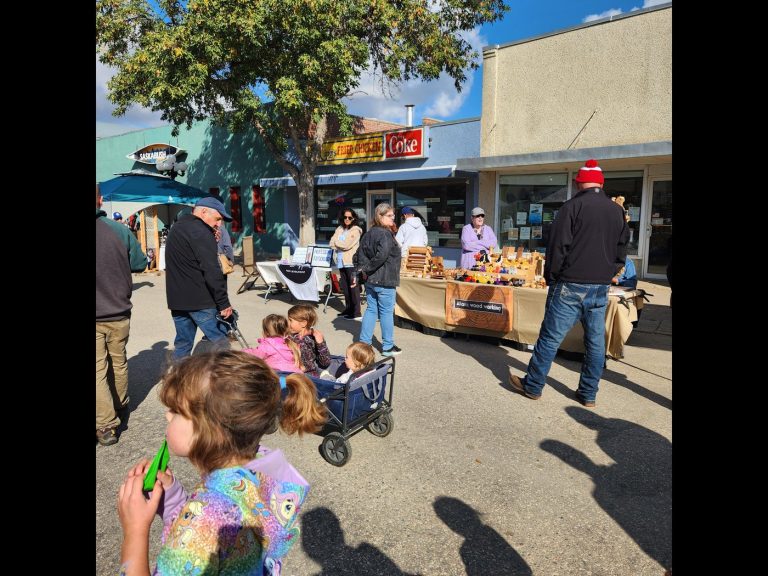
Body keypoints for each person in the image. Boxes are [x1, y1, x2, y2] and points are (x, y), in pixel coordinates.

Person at [116, 350, 327, 576]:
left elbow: (204, 528)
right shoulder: (263, 471)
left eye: (176, 411)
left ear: (211, 431)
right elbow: (213, 524)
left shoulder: (205, 524)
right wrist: (173, 498)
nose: (167, 416)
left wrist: (135, 530)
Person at [508, 159, 629, 408]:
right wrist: (611, 271)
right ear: (601, 183)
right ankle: (588, 393)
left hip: (570, 283)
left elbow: (557, 246)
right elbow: (622, 248)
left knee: (550, 338)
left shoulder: (571, 207)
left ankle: (533, 385)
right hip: (600, 285)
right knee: (595, 342)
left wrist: (552, 277)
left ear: (579, 182)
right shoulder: (616, 210)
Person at [96, 184, 147, 446]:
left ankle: (106, 425)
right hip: (118, 311)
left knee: (98, 370)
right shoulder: (119, 230)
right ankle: (120, 405)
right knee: (118, 362)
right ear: (100, 200)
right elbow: (139, 263)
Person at [165, 196, 234, 360]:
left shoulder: (178, 226)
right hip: (200, 300)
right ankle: (224, 383)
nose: (218, 224)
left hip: (178, 300)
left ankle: (178, 383)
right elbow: (212, 270)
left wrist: (211, 240)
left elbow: (188, 260)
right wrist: (223, 302)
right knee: (222, 345)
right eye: (217, 219)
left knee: (183, 345)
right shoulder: (201, 231)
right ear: (204, 211)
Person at [354, 203, 403, 356]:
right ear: (379, 216)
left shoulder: (369, 233)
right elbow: (381, 256)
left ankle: (364, 344)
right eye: (389, 215)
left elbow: (359, 255)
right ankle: (388, 347)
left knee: (371, 310)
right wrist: (366, 269)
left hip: (372, 280)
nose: (393, 218)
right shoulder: (384, 234)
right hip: (384, 280)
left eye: (393, 215)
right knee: (386, 313)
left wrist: (364, 271)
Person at [328, 208, 363, 319]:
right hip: (341, 262)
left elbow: (347, 245)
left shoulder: (356, 230)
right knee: (345, 288)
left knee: (353, 287)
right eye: (345, 217)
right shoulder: (340, 228)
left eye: (349, 217)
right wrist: (339, 243)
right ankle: (348, 309)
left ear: (353, 218)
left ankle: (356, 312)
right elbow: (331, 243)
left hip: (351, 263)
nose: (347, 219)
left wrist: (337, 243)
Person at [287, 304, 332, 376]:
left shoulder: (313, 338)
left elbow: (325, 362)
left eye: (290, 320)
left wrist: (320, 343)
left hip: (309, 375)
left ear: (303, 323)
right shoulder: (289, 337)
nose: (287, 323)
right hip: (291, 373)